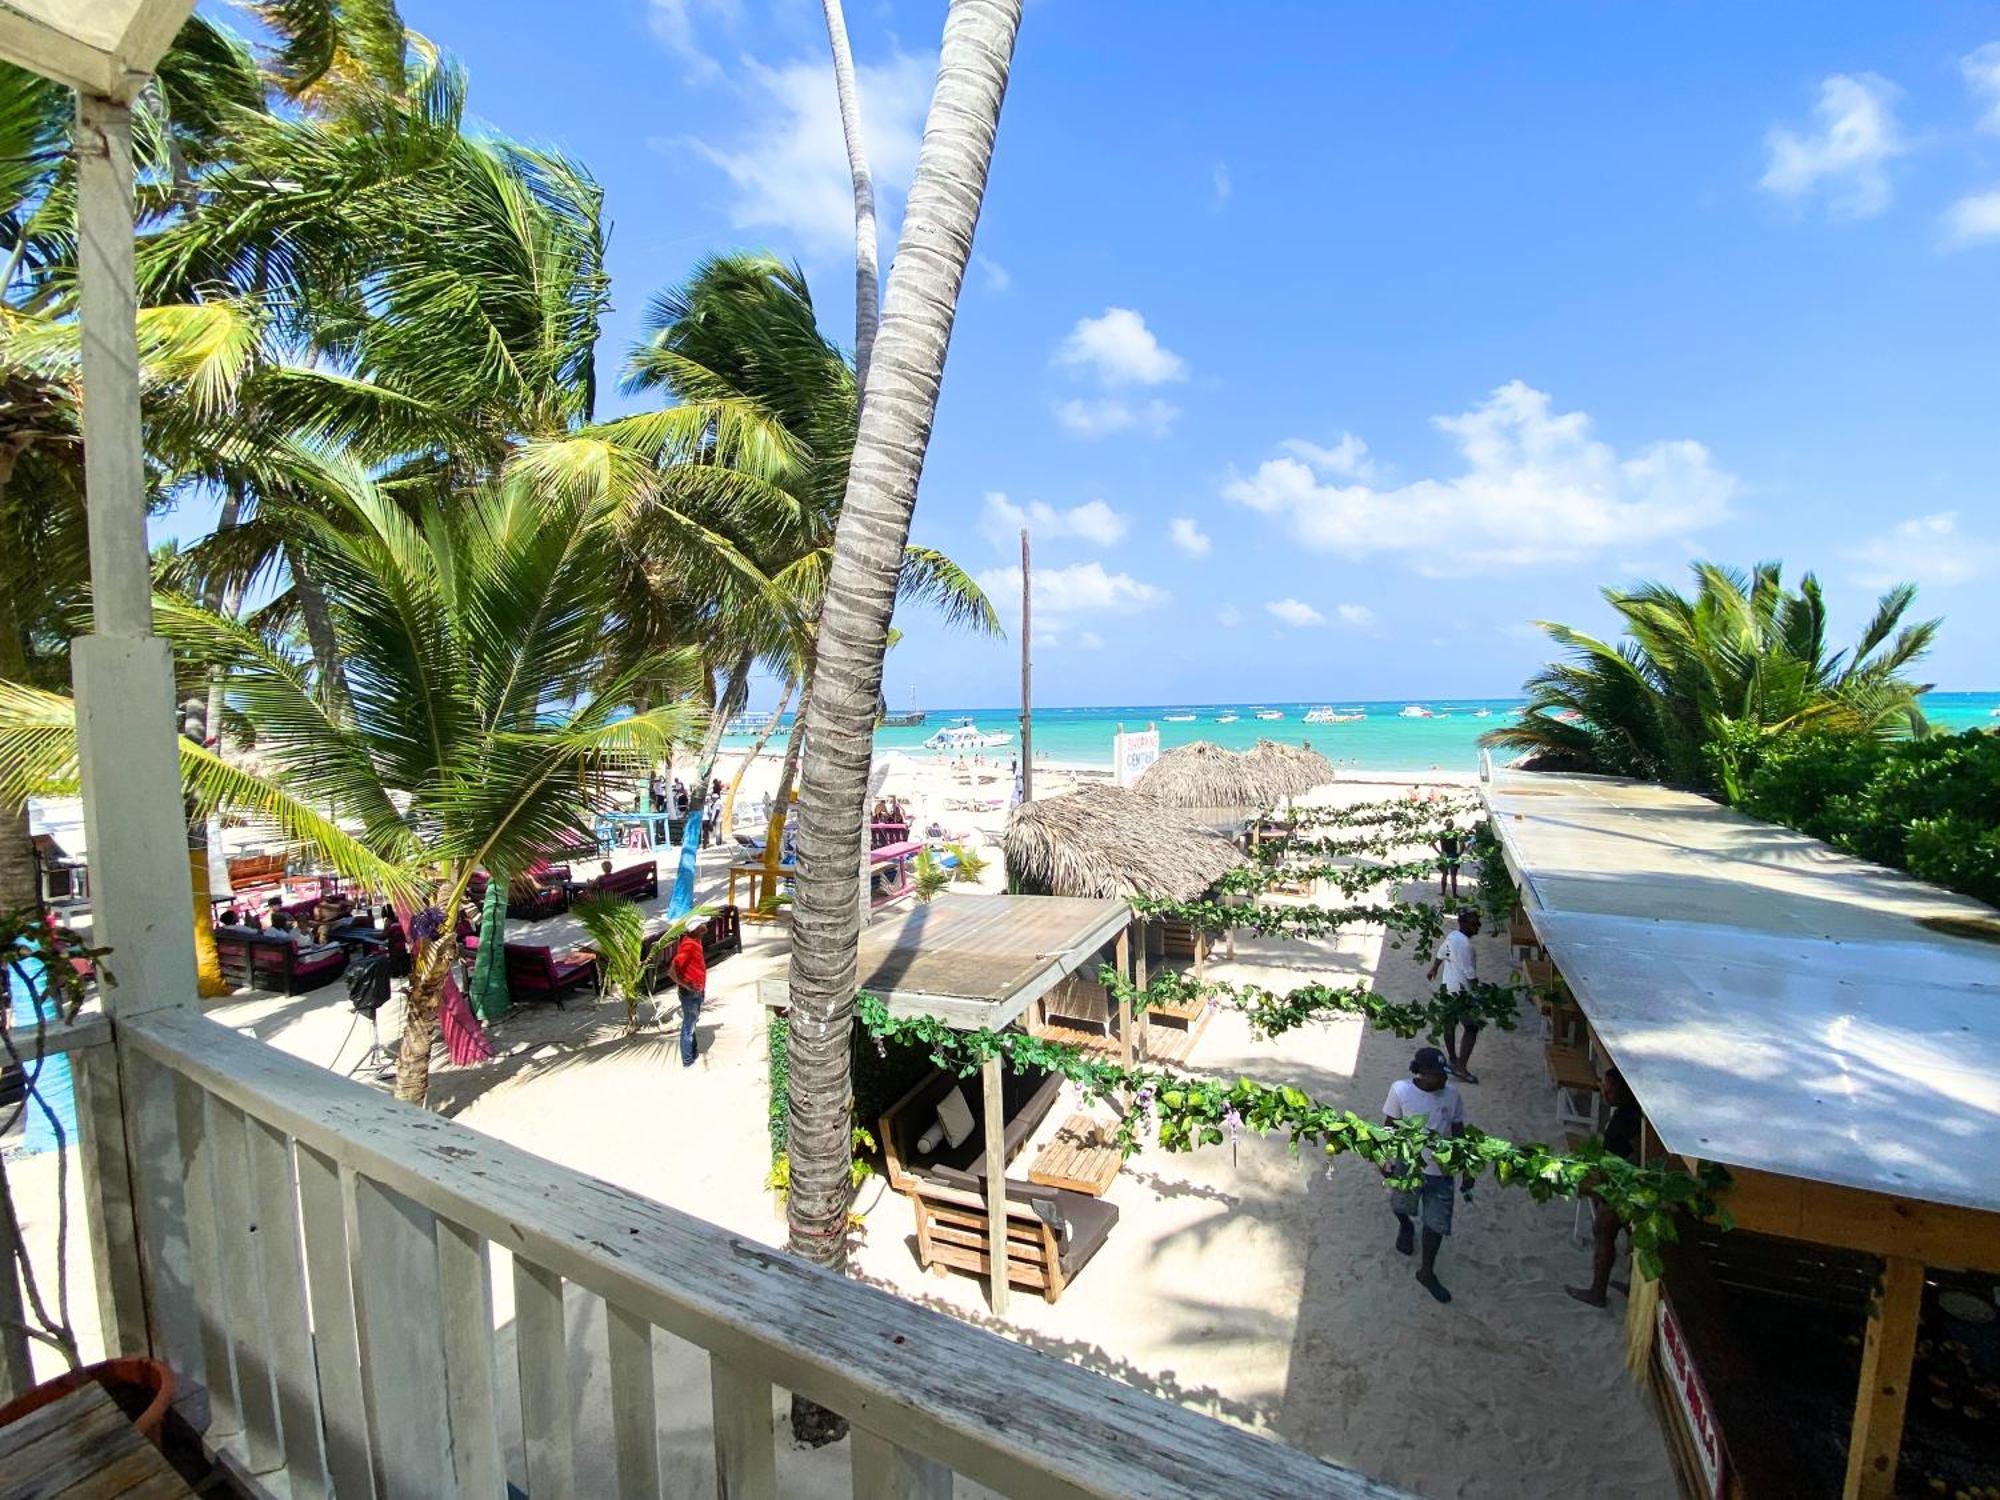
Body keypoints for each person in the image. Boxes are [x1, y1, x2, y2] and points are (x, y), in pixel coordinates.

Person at [1383, 1045, 1472, 1304]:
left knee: (1436, 1223)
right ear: (1420, 1073)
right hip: (1408, 1164)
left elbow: (1458, 1130)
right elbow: (1389, 1127)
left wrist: (1466, 1166)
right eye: (1436, 1075)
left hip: (1441, 1170)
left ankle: (1427, 1271)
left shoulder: (1452, 1095)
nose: (1443, 1079)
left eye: (1444, 1074)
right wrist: (1384, 1158)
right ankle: (1406, 1226)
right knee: (1400, 1204)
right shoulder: (1400, 1090)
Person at [1568, 1068, 1642, 1308]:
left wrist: (1617, 1182)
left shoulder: (1631, 1119)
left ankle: (1597, 1291)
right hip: (1617, 1180)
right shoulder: (1626, 1111)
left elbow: (1638, 1154)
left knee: (1603, 1232)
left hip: (1621, 1186)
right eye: (1603, 1087)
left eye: (1609, 1090)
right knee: (1632, 1237)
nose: (1604, 1092)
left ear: (1623, 1091)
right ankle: (1631, 1286)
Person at [1426, 908, 1484, 1083]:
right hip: (1461, 992)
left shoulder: (1453, 936)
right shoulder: (1465, 945)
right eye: (1474, 924)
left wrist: (1434, 968)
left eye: (1479, 923)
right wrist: (1482, 995)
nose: (1478, 927)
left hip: (1448, 987)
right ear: (1464, 923)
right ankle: (1461, 1067)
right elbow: (1470, 973)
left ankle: (1452, 1058)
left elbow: (1441, 953)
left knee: (1449, 1024)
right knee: (1471, 1027)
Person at [666, 925, 707, 1067]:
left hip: (697, 990)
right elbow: (671, 971)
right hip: (691, 993)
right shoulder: (689, 945)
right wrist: (685, 985)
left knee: (692, 1022)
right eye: (702, 925)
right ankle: (688, 1060)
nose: (705, 926)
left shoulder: (696, 941)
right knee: (688, 1026)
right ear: (695, 929)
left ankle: (692, 1052)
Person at [1435, 819, 1464, 900]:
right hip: (1453, 855)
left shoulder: (1441, 833)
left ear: (1445, 825)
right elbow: (1462, 845)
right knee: (1453, 876)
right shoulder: (1455, 834)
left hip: (1444, 855)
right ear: (1453, 826)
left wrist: (1439, 852)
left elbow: (1432, 842)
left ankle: (1443, 892)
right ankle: (1454, 894)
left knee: (1444, 874)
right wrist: (1460, 854)